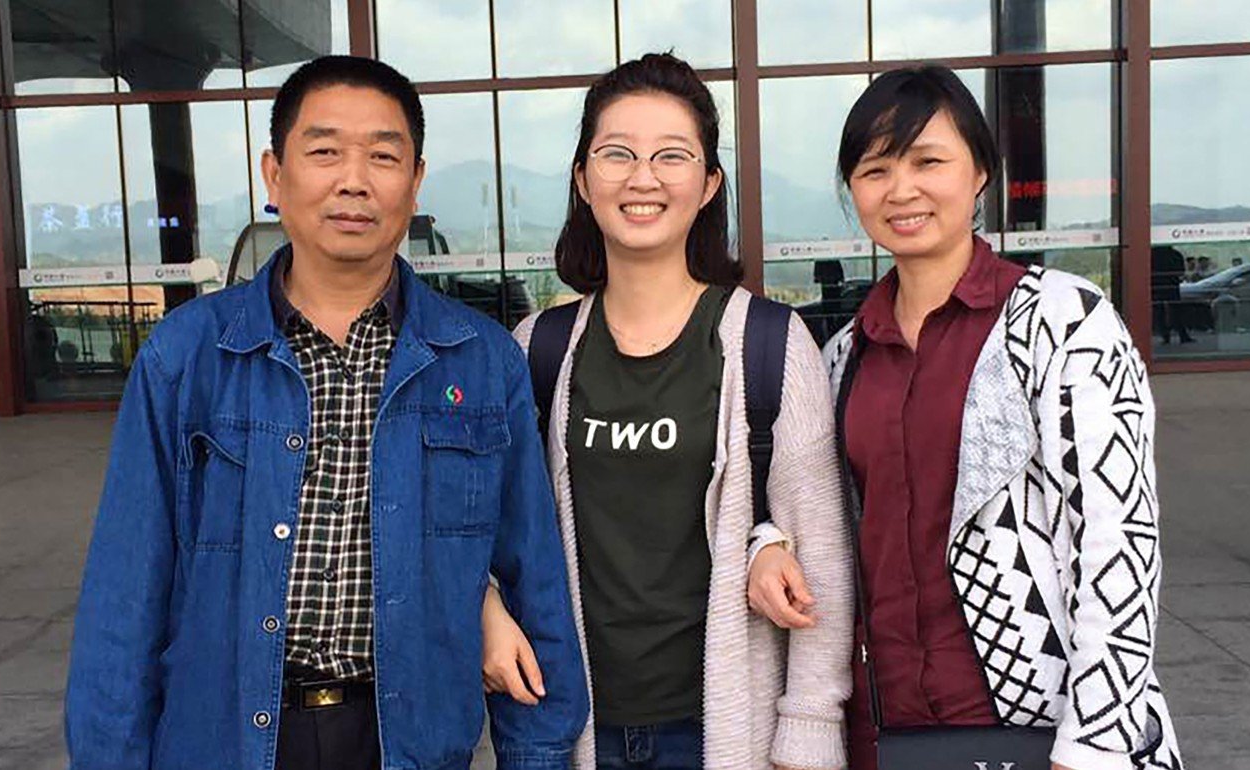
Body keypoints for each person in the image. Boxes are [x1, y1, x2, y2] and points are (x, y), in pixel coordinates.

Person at [64, 55, 588, 770]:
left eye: (382, 155)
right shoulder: (187, 357)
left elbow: (537, 581)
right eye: (324, 151)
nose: (354, 180)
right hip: (226, 739)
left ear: (415, 181)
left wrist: (539, 752)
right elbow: (124, 601)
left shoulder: (481, 362)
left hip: (404, 740)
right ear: (274, 175)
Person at [478, 53, 853, 770]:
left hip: (721, 731)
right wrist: (485, 610)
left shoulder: (770, 344)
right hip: (570, 725)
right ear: (584, 180)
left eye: (671, 156)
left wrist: (807, 730)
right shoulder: (538, 350)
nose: (642, 178)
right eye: (617, 154)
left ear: (709, 183)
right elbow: (487, 526)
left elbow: (822, 558)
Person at [816, 65, 1186, 770]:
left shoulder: (1063, 322)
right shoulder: (844, 356)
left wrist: (1097, 742)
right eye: (875, 169)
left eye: (929, 161)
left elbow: (1118, 539)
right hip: (883, 731)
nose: (902, 190)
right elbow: (820, 515)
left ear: (981, 172)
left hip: (1037, 728)